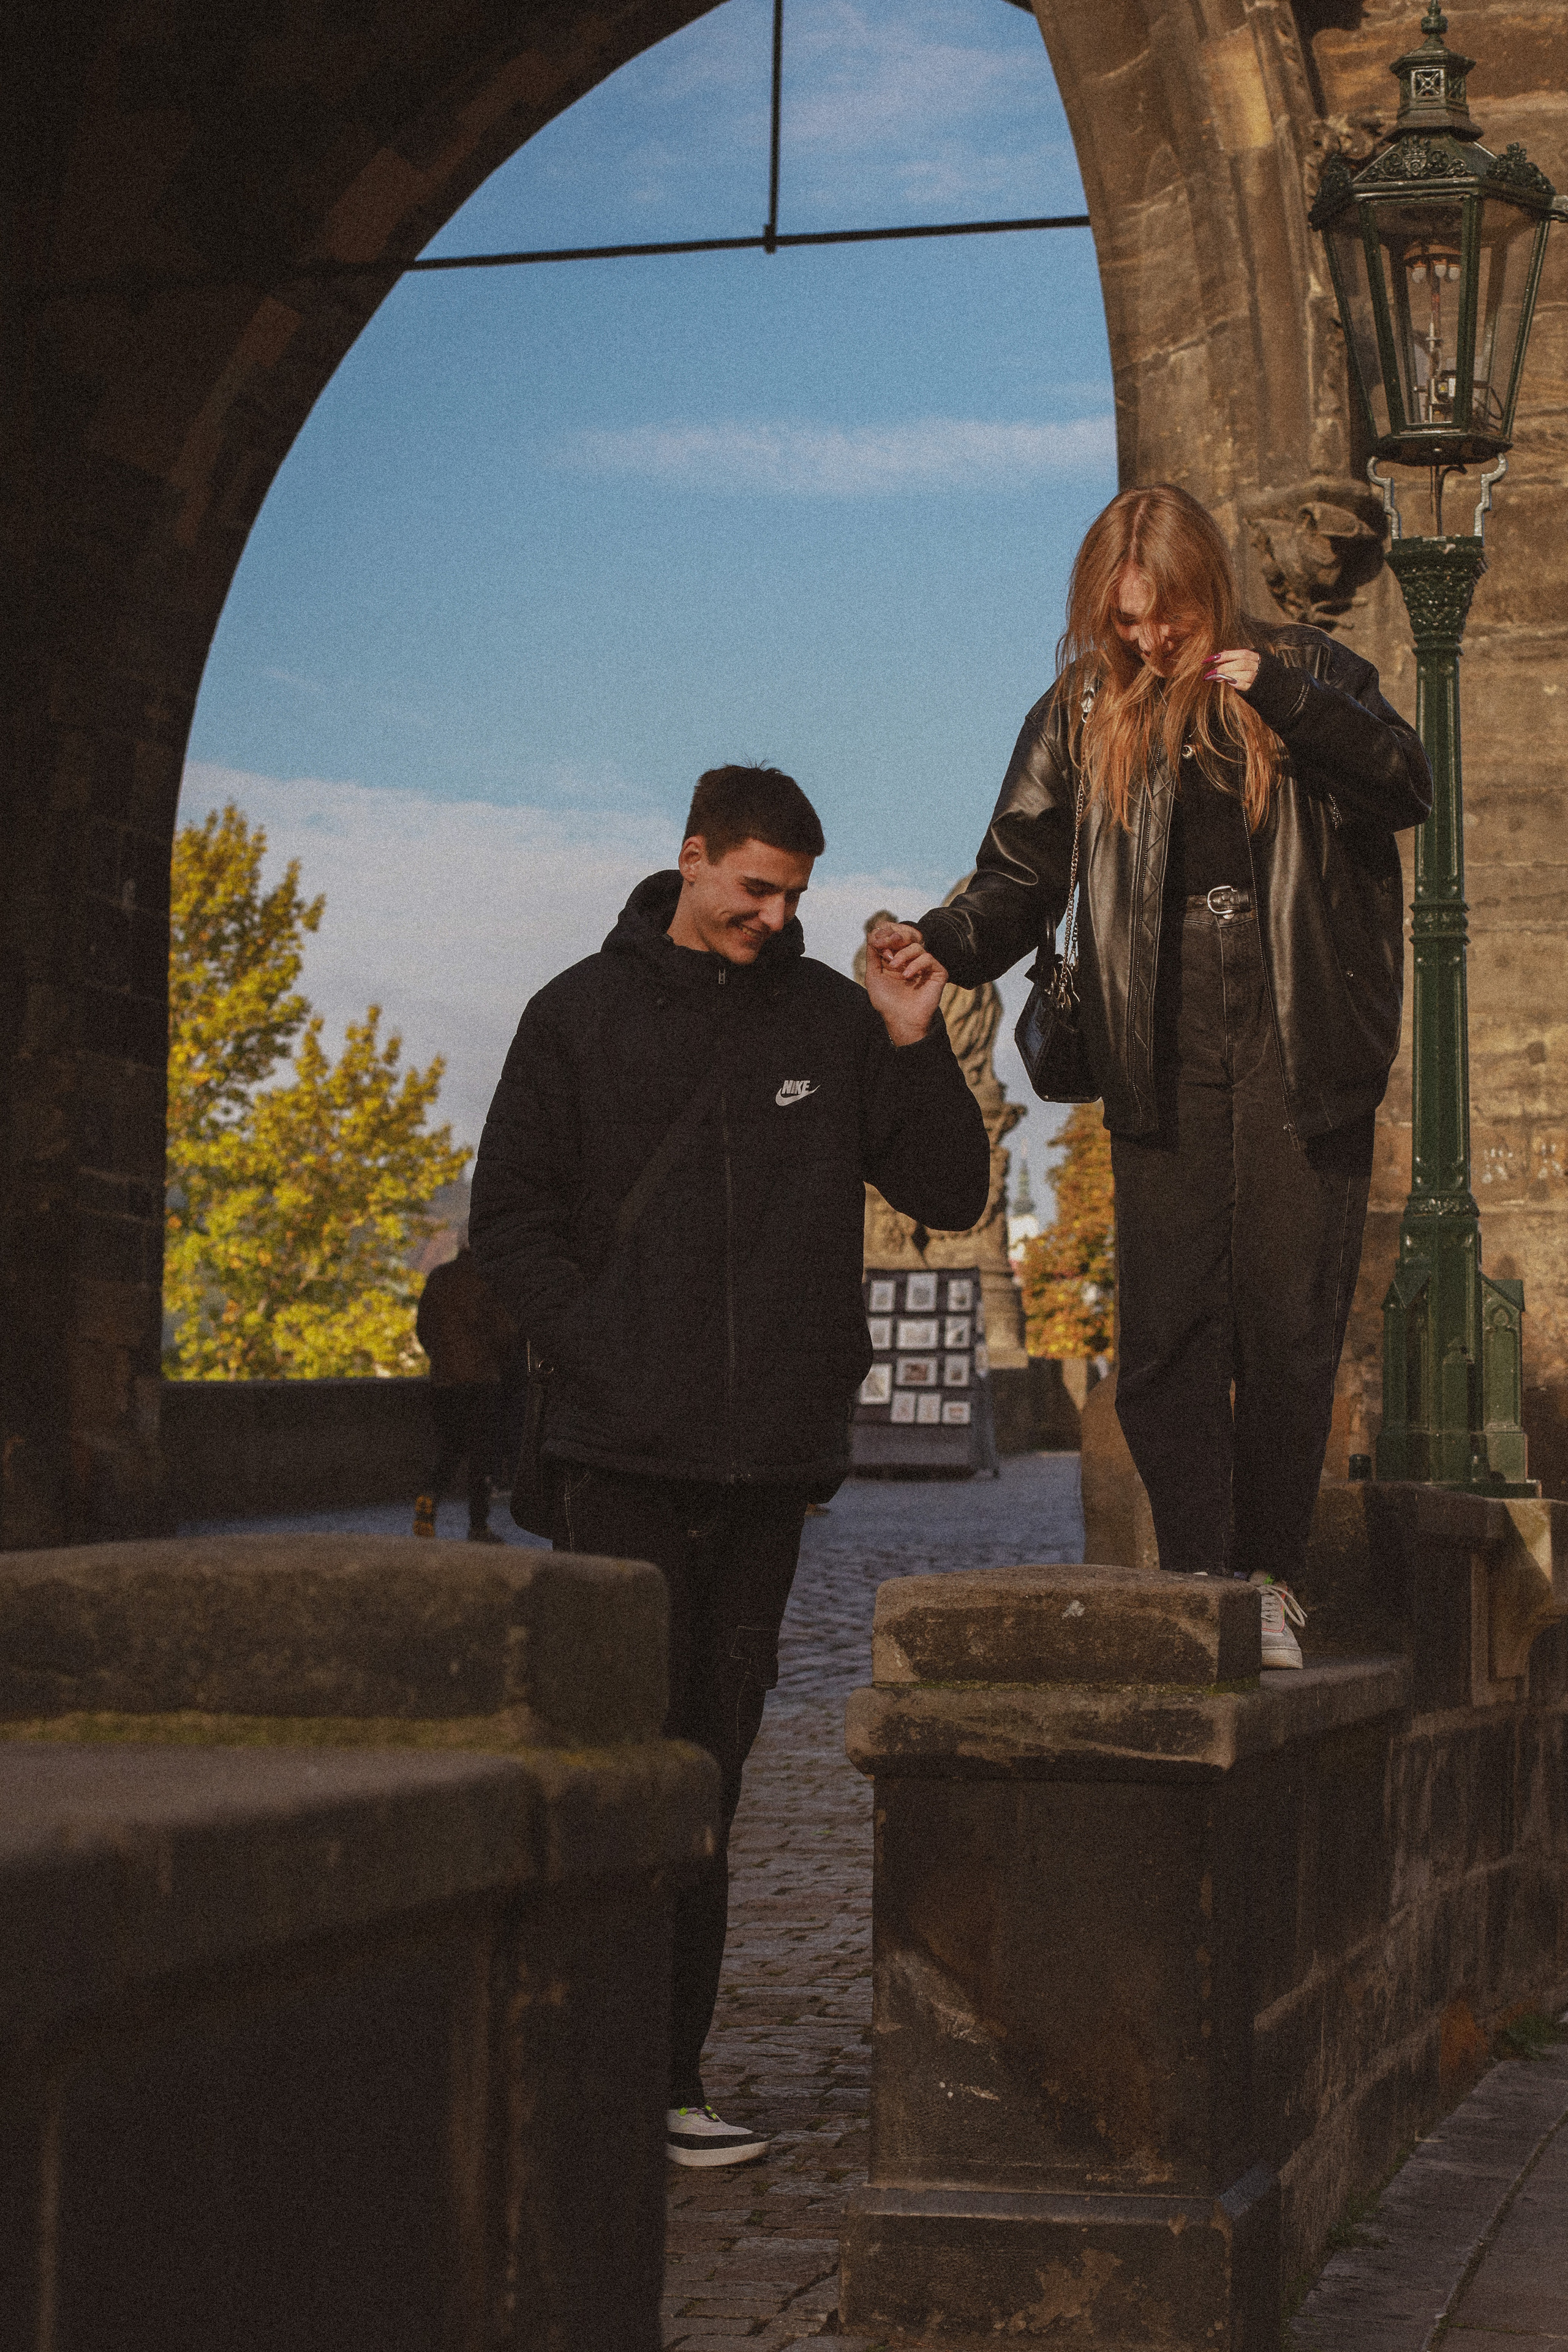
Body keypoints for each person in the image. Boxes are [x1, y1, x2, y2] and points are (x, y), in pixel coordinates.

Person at [469, 764, 989, 2165]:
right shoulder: (575, 1016)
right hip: (613, 1459)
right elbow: (507, 1224)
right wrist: (611, 1355)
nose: (773, 914)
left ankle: (666, 2076)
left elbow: (949, 1188)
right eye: (752, 885)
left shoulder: (830, 1016)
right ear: (690, 856)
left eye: (793, 894)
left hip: (765, 1470)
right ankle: (569, 2070)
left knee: (710, 1769)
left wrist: (905, 1033)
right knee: (606, 1763)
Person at [874, 484, 1431, 1667]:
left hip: (1298, 1026)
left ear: (1205, 589)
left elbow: (1402, 783)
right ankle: (1199, 1582)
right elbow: (1019, 871)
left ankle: (1272, 1580)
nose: (1146, 639)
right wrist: (945, 940)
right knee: (1171, 1331)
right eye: (1123, 619)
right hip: (1160, 1028)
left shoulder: (1304, 666)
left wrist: (1273, 693)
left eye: (1163, 614)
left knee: (1288, 1326)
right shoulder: (1084, 709)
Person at [412, 1240, 514, 1542]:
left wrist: (441, 1359)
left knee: (450, 1449)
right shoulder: (490, 1279)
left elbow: (424, 1327)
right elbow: (504, 1330)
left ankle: (430, 1496)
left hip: (444, 1382)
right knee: (480, 1456)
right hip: (481, 1382)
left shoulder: (440, 1278)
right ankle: (478, 1526)